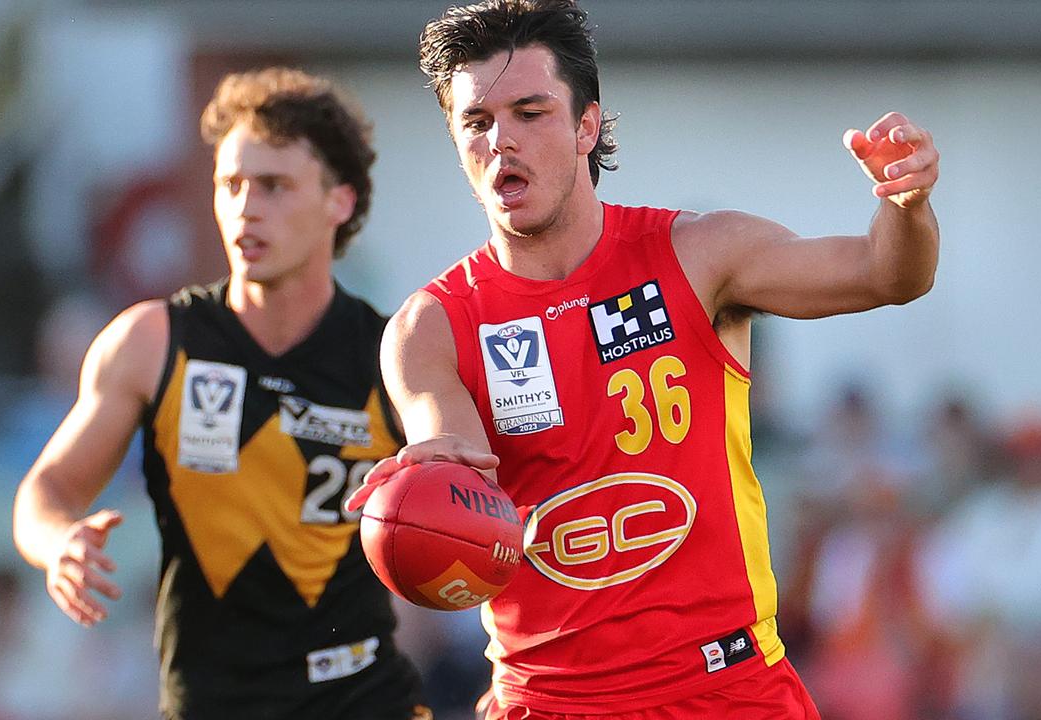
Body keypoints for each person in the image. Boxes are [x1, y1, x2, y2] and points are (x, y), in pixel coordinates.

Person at [345, 1, 940, 717]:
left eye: (529, 112)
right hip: (548, 701)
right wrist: (423, 491)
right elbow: (459, 468)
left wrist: (905, 204)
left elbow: (888, 274)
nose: (501, 140)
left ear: (586, 125)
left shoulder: (698, 254)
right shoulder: (431, 326)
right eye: (477, 121)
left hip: (728, 690)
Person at [13, 68, 430, 720]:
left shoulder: (395, 355)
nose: (245, 208)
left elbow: (469, 513)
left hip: (363, 702)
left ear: (339, 202)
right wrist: (59, 542)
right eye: (229, 185)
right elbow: (46, 492)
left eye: (273, 186)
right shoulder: (151, 342)